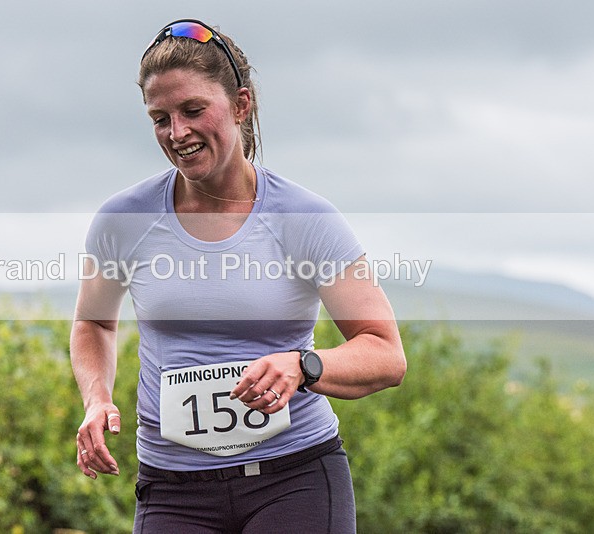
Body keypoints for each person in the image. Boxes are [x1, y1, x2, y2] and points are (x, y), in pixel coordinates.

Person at [71, 18, 406, 533]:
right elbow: (93, 324)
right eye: (160, 118)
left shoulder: (304, 219)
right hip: (172, 489)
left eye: (193, 110)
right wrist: (97, 400)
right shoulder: (125, 219)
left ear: (241, 105)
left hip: (293, 479)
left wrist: (303, 366)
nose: (177, 133)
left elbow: (385, 353)